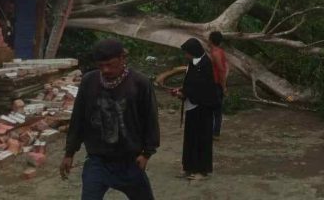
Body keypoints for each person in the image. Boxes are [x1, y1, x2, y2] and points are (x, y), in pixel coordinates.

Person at [60, 39, 159, 200]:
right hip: (98, 161)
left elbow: (150, 119)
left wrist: (147, 153)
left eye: (110, 65)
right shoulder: (89, 82)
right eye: (101, 66)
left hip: (130, 161)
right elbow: (78, 118)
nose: (106, 70)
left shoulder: (140, 83)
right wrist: (69, 152)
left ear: (122, 58)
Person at [172, 38, 221, 180]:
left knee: (202, 139)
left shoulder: (205, 64)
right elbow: (191, 83)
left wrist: (185, 93)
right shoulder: (193, 63)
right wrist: (182, 91)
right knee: (190, 139)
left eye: (187, 53)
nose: (186, 55)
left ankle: (202, 171)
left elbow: (204, 87)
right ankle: (188, 168)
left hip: (203, 107)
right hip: (192, 106)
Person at [208, 31, 229, 140]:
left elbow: (221, 70)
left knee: (216, 109)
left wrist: (224, 86)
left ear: (211, 40)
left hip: (216, 84)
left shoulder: (216, 53)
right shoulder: (217, 52)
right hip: (214, 84)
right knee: (214, 109)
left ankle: (215, 133)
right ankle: (212, 131)